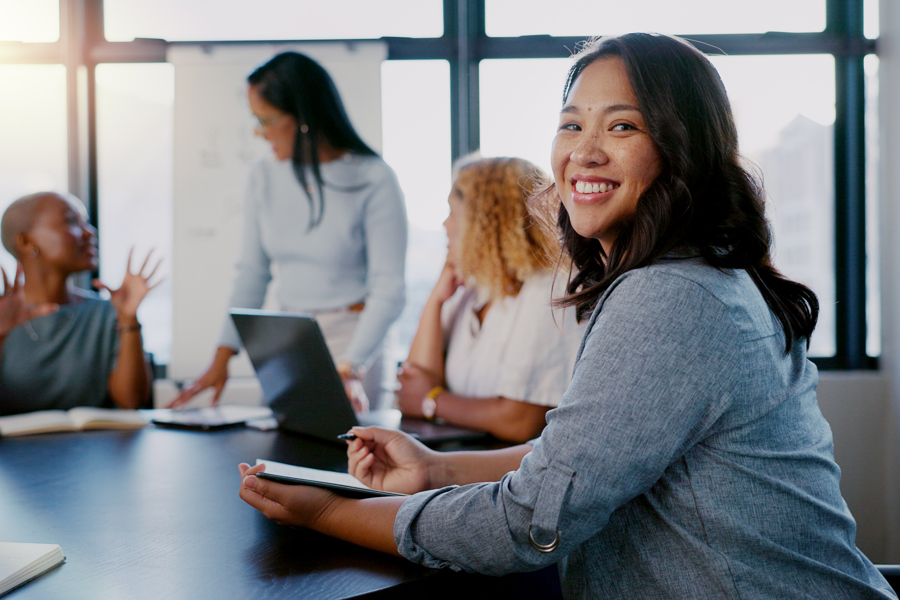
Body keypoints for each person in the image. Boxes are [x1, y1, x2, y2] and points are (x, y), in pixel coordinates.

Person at [237, 33, 896, 599]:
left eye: (623, 126)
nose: (583, 150)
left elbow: (525, 523)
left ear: (681, 148)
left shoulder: (669, 298)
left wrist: (326, 511)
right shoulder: (694, 277)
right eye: (572, 123)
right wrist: (436, 469)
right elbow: (576, 460)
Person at [173, 51, 407, 410]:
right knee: (280, 451)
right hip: (292, 338)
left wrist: (352, 367)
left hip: (357, 338)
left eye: (265, 120)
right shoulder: (262, 176)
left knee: (356, 456)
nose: (258, 131)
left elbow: (389, 288)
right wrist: (221, 360)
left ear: (303, 118)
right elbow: (251, 275)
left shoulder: (374, 178)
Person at [394, 156, 583, 442]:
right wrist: (435, 303)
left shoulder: (550, 290)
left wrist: (431, 401)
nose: (445, 225)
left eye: (453, 212)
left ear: (487, 223)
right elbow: (414, 380)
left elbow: (520, 422)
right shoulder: (474, 290)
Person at [0, 192, 158, 414]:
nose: (89, 231)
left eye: (86, 222)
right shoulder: (4, 315)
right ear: (25, 242)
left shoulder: (107, 312)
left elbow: (131, 402)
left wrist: (128, 319)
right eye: (71, 221)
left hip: (91, 447)